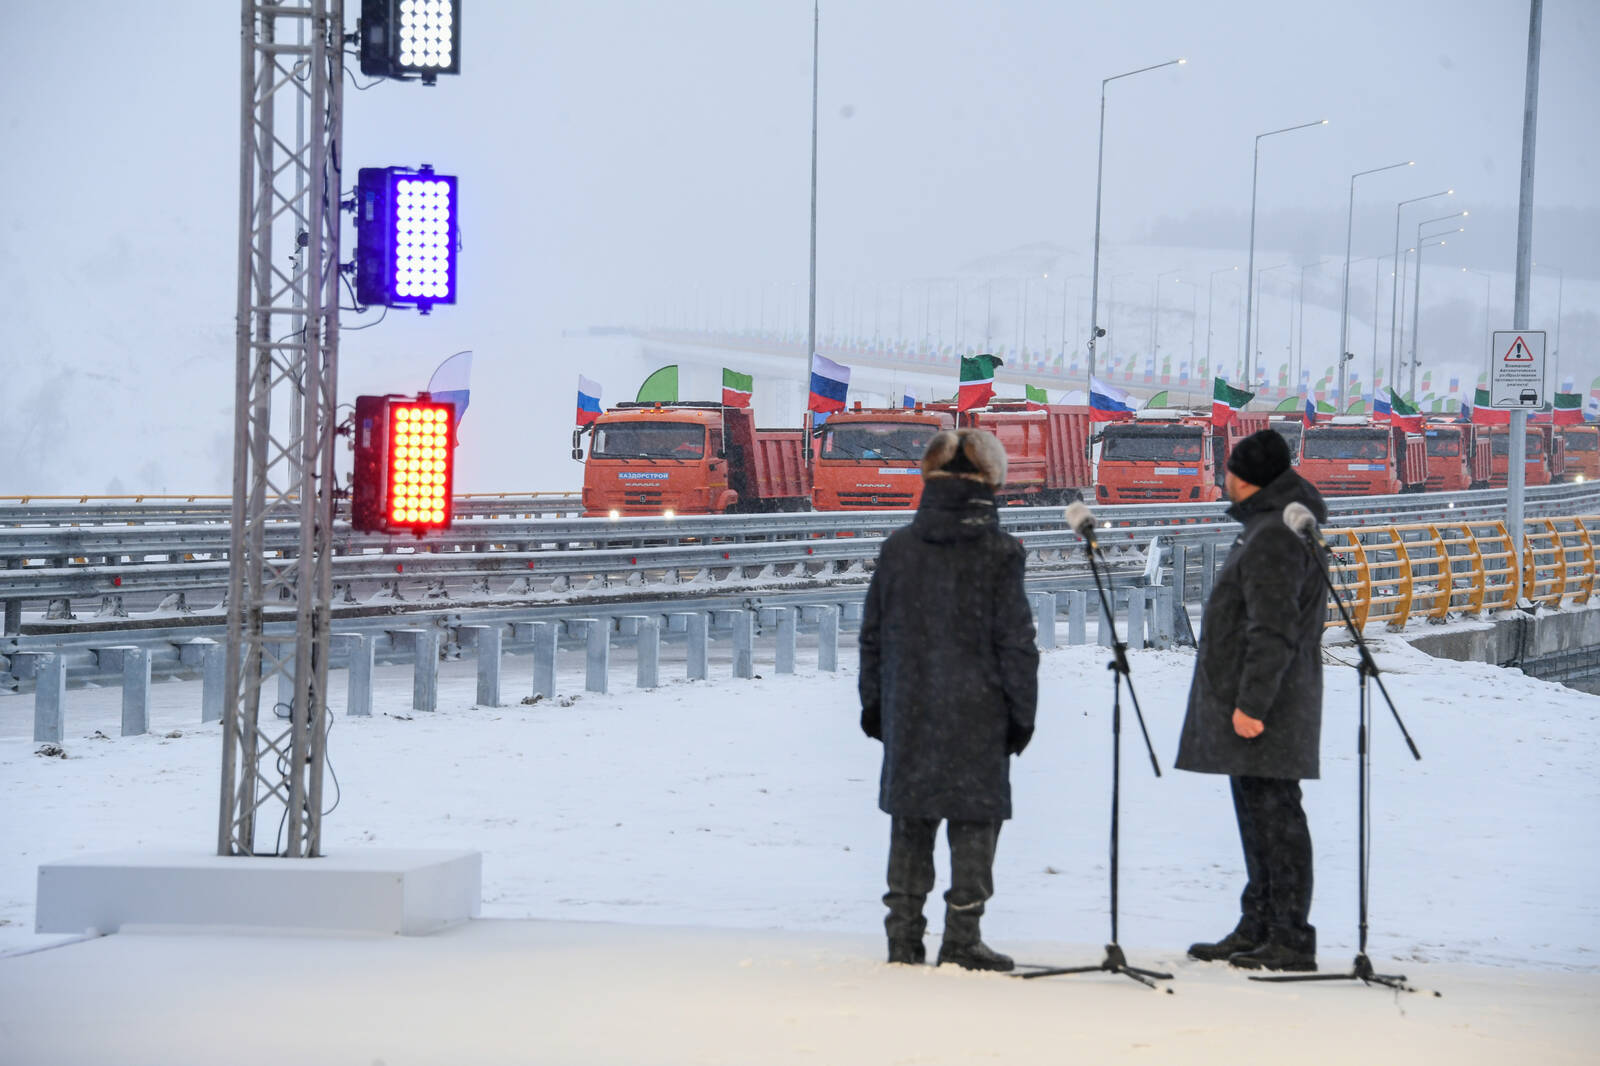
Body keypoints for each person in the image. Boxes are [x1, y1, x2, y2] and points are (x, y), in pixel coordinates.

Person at [859, 428, 1039, 971]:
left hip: (910, 706)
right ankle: (962, 936)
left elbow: (874, 635)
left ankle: (903, 937)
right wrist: (1021, 714)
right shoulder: (1000, 552)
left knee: (911, 820)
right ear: (992, 480)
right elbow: (1016, 643)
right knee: (975, 820)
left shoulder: (898, 549)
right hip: (979, 709)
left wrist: (876, 705)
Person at [1176, 428, 1329, 973]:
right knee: (1261, 814)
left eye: (1229, 470)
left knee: (1276, 818)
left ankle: (1289, 935)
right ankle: (1260, 923)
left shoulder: (1273, 536)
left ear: (1244, 477)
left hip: (1271, 703)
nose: (1225, 478)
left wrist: (1253, 705)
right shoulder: (1271, 524)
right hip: (1266, 697)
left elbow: (1272, 629)